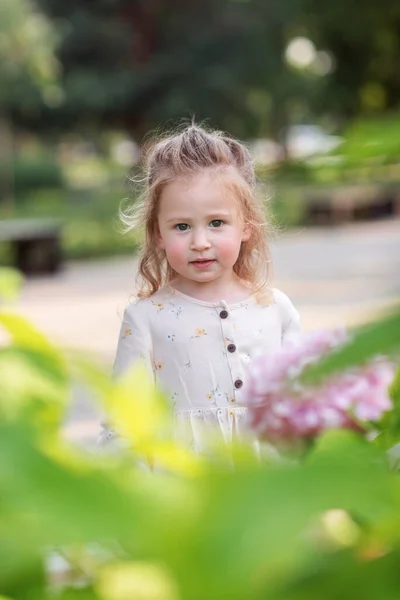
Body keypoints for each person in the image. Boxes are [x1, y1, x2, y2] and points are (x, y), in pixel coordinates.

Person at [98, 124, 301, 455]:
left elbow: (301, 403)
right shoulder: (146, 318)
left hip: (269, 491)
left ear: (246, 225)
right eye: (182, 227)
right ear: (157, 234)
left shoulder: (275, 310)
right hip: (185, 493)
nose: (200, 242)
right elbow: (123, 421)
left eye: (217, 223)